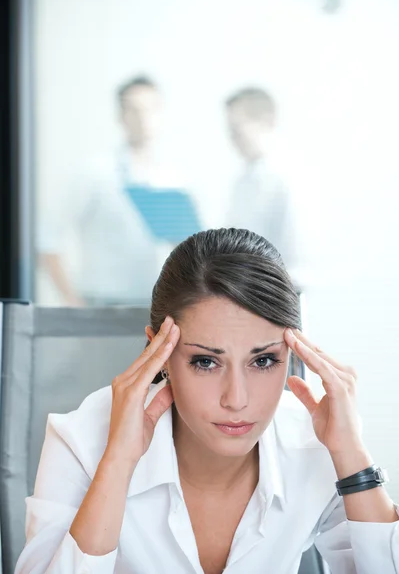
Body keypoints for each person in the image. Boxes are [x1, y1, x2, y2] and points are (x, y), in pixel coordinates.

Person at [17, 228, 398, 573]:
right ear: (159, 355)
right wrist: (117, 461)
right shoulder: (83, 439)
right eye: (206, 362)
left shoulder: (316, 444)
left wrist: (352, 458)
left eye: (263, 361)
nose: (237, 399)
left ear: (293, 356)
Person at [38, 75, 181, 307]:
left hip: (156, 306)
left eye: (151, 109)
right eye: (134, 110)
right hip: (100, 304)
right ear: (121, 116)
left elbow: (183, 245)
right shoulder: (96, 172)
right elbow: (47, 237)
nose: (144, 118)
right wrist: (72, 301)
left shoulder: (173, 178)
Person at [225, 87, 303, 283]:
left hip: (280, 294)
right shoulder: (242, 181)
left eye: (237, 128)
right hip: (251, 291)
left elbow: (297, 256)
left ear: (267, 121)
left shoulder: (287, 179)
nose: (232, 138)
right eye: (230, 130)